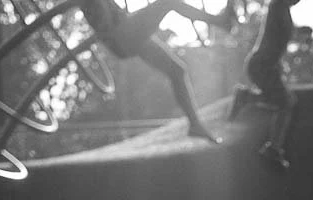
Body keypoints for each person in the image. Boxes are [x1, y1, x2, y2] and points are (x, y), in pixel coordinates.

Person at [82, 0, 240, 142]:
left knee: (176, 71)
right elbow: (102, 20)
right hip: (123, 34)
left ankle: (195, 124)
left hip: (124, 36)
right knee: (169, 2)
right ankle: (220, 21)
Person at [227, 0, 298, 170]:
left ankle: (245, 97)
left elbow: (276, 40)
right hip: (262, 65)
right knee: (285, 103)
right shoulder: (277, 5)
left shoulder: (282, 9)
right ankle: (273, 148)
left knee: (282, 101)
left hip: (265, 64)